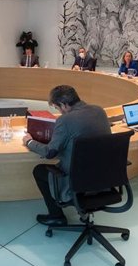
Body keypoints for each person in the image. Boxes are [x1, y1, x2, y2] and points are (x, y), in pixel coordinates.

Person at [23, 85, 111, 226]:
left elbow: (50, 153)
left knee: (39, 171)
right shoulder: (99, 111)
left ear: (63, 105)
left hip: (78, 182)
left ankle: (56, 215)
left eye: (57, 108)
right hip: (105, 179)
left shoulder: (65, 120)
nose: (59, 112)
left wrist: (29, 142)